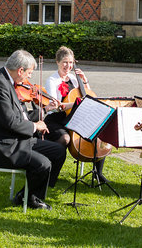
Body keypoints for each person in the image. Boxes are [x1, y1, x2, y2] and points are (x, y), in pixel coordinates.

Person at [0, 49, 67, 210]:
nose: (29, 77)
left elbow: (22, 115)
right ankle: (30, 198)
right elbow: (11, 122)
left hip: (14, 139)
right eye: (29, 72)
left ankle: (30, 193)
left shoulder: (7, 81)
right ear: (20, 70)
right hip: (4, 146)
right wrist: (35, 126)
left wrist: (45, 110)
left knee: (58, 151)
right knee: (43, 164)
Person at [44, 46, 109, 183]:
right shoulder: (52, 80)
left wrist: (84, 81)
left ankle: (98, 173)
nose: (68, 66)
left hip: (74, 118)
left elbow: (89, 97)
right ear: (57, 62)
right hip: (57, 118)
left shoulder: (74, 79)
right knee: (65, 139)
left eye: (71, 63)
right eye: (65, 62)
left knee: (97, 132)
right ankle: (50, 173)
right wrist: (76, 104)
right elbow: (56, 106)